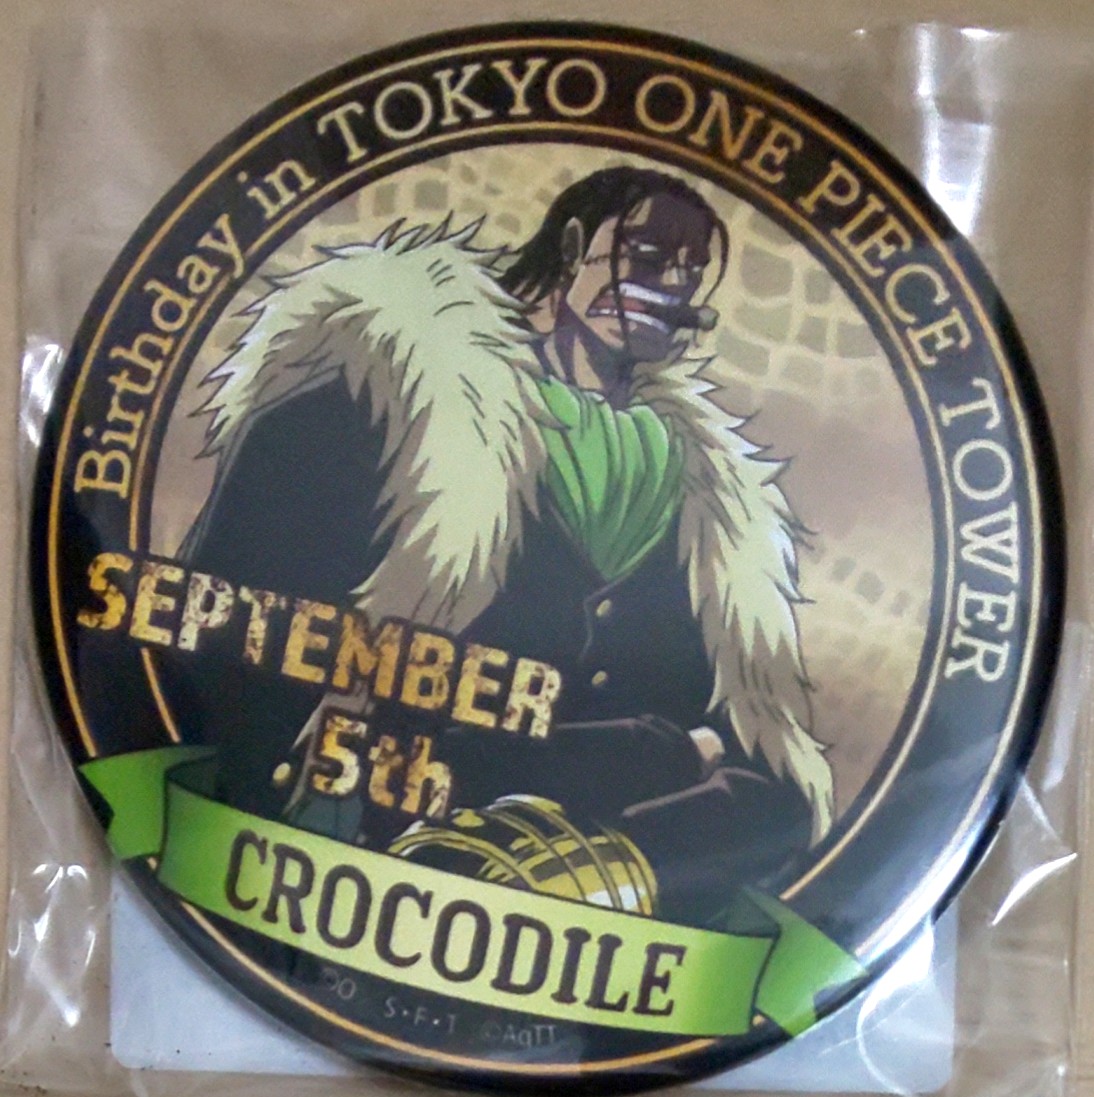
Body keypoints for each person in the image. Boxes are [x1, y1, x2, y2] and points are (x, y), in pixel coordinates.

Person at [165, 166, 833, 924]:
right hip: (367, 860)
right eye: (647, 257)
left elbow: (754, 774)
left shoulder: (708, 496)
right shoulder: (370, 404)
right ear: (572, 247)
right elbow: (221, 636)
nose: (673, 287)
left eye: (691, 271)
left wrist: (616, 858)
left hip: (589, 910)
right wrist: (665, 752)